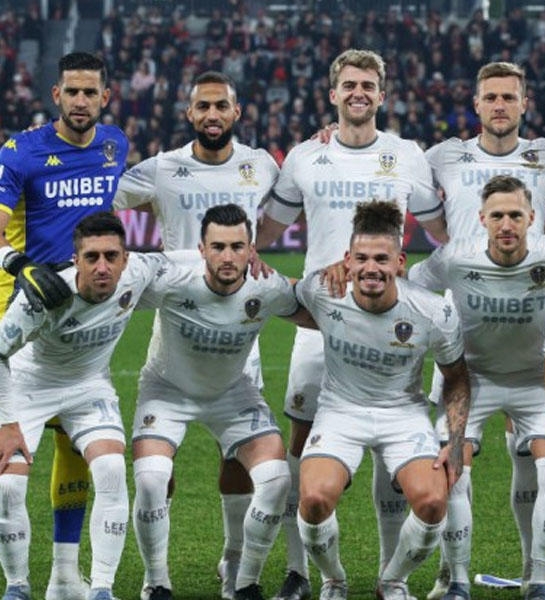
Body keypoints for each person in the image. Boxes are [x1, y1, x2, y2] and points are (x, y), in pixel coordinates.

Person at [256, 48, 448, 600]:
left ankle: (391, 577)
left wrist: (423, 281)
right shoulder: (305, 156)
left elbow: (442, 234)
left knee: (394, 449)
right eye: (349, 85)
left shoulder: (406, 155)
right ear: (333, 94)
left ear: (381, 96)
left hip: (389, 324)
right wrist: (247, 257)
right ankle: (302, 572)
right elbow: (267, 230)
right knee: (302, 447)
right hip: (319, 325)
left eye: (368, 85)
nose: (358, 93)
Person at [113, 70, 280, 600]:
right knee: (156, 471)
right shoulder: (163, 168)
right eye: (202, 106)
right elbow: (104, 198)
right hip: (178, 324)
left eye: (220, 106)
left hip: (238, 338)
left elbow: (299, 196)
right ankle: (155, 576)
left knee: (238, 461)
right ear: (189, 114)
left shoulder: (262, 164)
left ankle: (234, 562)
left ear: (236, 112)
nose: (212, 115)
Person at [408, 175, 545, 600]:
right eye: (497, 216)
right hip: (469, 381)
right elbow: (406, 285)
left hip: (534, 380)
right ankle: (457, 581)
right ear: (482, 219)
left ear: (532, 218)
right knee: (452, 471)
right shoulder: (455, 257)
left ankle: (537, 581)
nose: (507, 224)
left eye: (516, 215)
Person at [423, 65, 545, 597]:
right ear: (477, 104)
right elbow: (399, 190)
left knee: (538, 463)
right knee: (449, 462)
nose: (500, 105)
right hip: (466, 342)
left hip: (530, 336)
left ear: (524, 103)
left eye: (510, 96)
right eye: (491, 97)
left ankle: (537, 575)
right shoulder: (442, 156)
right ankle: (453, 576)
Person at [131, 204, 314, 600]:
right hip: (166, 390)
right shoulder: (172, 274)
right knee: (151, 478)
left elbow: (316, 313)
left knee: (276, 479)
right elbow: (112, 278)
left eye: (237, 247)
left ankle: (244, 580)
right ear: (201, 249)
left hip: (232, 392)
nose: (228, 257)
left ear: (252, 250)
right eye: (218, 247)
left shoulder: (267, 285)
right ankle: (156, 582)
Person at [0, 52, 128, 600]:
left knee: (76, 448)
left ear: (105, 96)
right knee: (10, 465)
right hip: (25, 305)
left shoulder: (114, 145)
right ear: (56, 95)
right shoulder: (21, 151)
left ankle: (64, 577)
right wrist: (17, 264)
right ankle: (20, 582)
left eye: (89, 92)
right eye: (71, 92)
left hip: (83, 312)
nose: (80, 101)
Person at [294, 200, 469, 600]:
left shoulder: (432, 310)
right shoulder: (321, 290)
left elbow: (457, 378)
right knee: (315, 500)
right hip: (340, 411)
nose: (370, 268)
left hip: (403, 414)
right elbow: (277, 297)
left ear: (400, 262)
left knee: (432, 503)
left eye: (381, 259)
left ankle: (392, 581)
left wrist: (455, 442)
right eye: (361, 258)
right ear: (347, 261)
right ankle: (333, 580)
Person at [0, 212, 171, 600]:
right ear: (75, 260)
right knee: (8, 485)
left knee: (111, 468)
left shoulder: (140, 271)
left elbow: (191, 262)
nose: (102, 267)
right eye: (91, 257)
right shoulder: (43, 295)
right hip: (27, 385)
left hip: (88, 385)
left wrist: (248, 258)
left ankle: (101, 590)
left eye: (111, 256)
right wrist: (7, 424)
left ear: (126, 258)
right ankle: (17, 586)